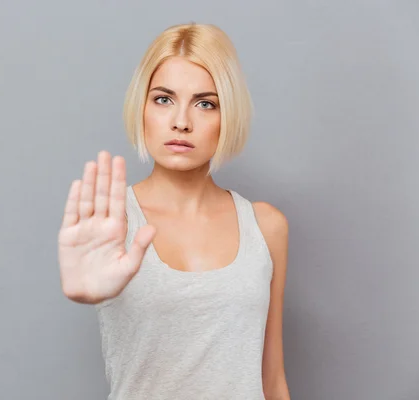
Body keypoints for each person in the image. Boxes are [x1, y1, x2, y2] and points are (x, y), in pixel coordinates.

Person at [58, 22, 290, 400]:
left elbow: (273, 380)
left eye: (205, 103)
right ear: (142, 107)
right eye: (163, 99)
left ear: (227, 114)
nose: (182, 121)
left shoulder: (266, 226)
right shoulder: (112, 222)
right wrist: (89, 294)